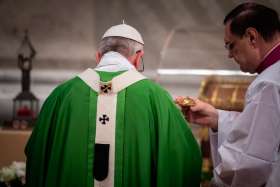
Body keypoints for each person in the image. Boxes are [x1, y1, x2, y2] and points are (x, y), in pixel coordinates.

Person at [24, 23, 202, 187]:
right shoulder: (156, 97)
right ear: (139, 57)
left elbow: (37, 153)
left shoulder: (61, 95)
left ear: (98, 56)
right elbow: (183, 159)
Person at [177, 2, 280, 187]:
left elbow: (250, 161)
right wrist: (217, 119)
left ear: (251, 37)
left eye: (230, 45)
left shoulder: (269, 84)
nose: (229, 55)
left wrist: (213, 183)